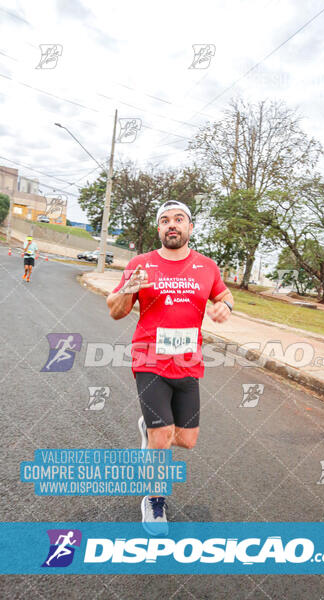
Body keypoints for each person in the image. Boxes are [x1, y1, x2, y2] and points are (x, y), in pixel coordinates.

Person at [106, 200, 234, 533]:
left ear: (190, 228)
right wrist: (131, 287)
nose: (171, 225)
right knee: (162, 437)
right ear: (159, 229)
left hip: (188, 362)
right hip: (149, 358)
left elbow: (225, 294)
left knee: (187, 440)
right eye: (165, 220)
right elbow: (115, 309)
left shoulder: (207, 267)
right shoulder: (141, 263)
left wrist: (226, 307)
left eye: (179, 219)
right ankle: (154, 502)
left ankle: (149, 430)